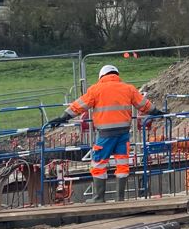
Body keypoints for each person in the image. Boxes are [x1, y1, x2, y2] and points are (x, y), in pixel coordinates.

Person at [47, 64, 166, 203]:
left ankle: (99, 198)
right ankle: (119, 199)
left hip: (105, 135)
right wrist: (159, 113)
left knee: (98, 164)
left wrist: (63, 117)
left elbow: (78, 106)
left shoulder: (96, 89)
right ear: (116, 75)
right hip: (123, 134)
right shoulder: (128, 89)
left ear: (101, 76)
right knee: (122, 165)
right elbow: (145, 105)